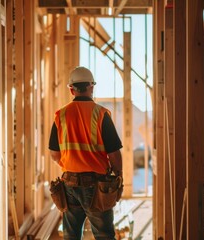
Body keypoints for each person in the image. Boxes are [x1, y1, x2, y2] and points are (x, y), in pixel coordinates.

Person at [48, 66, 123, 239]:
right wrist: (118, 175)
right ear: (91, 87)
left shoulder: (61, 116)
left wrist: (69, 165)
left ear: (71, 89)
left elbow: (54, 153)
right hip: (97, 185)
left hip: (69, 184)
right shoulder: (101, 114)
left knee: (71, 235)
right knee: (104, 235)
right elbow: (114, 154)